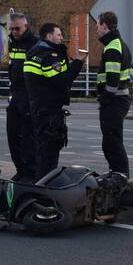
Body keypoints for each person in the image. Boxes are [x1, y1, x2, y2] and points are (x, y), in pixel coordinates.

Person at [23, 23, 85, 179]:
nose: (61, 38)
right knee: (49, 154)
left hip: (38, 108)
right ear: (49, 36)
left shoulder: (33, 53)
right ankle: (45, 188)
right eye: (58, 35)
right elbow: (61, 81)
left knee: (41, 152)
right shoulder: (50, 55)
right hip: (48, 112)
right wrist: (78, 62)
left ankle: (39, 184)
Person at [95, 11, 133, 176]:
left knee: (112, 141)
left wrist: (105, 99)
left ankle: (119, 175)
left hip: (115, 101)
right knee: (112, 140)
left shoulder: (112, 47)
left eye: (98, 25)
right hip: (119, 100)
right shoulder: (117, 44)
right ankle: (118, 174)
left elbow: (112, 79)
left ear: (104, 26)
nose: (96, 29)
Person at [4, 13, 39, 182]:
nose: (14, 31)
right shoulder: (13, 43)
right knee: (12, 134)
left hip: (28, 94)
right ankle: (20, 169)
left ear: (26, 26)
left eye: (17, 28)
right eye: (12, 28)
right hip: (16, 93)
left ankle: (30, 172)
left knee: (27, 136)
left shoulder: (34, 43)